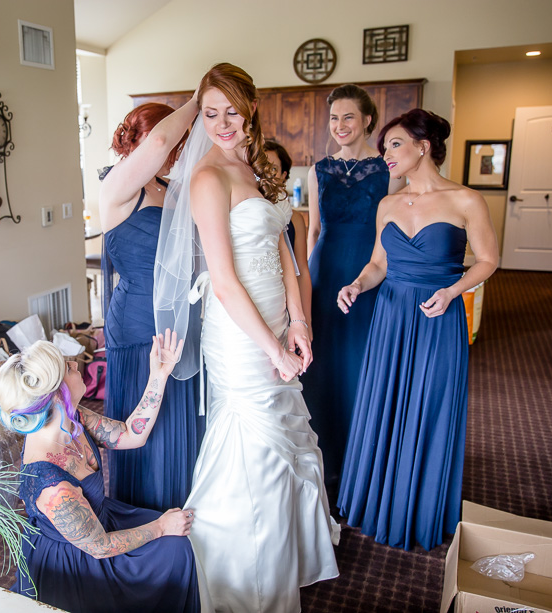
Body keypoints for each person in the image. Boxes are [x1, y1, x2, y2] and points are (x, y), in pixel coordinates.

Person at [156, 63, 339, 613]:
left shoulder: (255, 166)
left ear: (251, 108)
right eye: (210, 113)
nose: (221, 123)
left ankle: (280, 560)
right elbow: (227, 281)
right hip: (238, 333)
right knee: (251, 446)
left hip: (276, 320)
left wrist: (299, 323)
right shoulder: (207, 177)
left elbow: (283, 247)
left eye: (231, 110)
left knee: (283, 446)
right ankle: (240, 583)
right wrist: (272, 349)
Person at [336, 109, 498, 551]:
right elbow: (377, 265)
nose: (385, 153)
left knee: (429, 406)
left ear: (423, 147)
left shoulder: (466, 201)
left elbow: (487, 260)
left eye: (394, 144)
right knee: (384, 401)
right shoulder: (388, 204)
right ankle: (374, 502)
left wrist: (452, 292)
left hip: (437, 315)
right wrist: (355, 284)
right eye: (385, 145)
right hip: (390, 314)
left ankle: (417, 508)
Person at [0, 331, 200, 612]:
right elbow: (99, 547)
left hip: (101, 521)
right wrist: (161, 527)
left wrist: (159, 375)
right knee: (175, 549)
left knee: (180, 545)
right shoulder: (52, 486)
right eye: (68, 366)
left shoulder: (70, 417)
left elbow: (130, 434)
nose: (76, 365)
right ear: (56, 395)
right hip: (80, 559)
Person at [98, 98, 204, 512]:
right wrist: (197, 102)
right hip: (139, 320)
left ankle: (181, 506)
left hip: (179, 319)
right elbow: (161, 139)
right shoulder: (117, 187)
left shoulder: (171, 188)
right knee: (148, 421)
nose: (177, 152)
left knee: (177, 418)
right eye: (176, 144)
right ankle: (144, 516)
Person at [302, 84, 405, 491]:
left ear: (367, 121)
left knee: (361, 366)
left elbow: (393, 234)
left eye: (348, 117)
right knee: (323, 367)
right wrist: (307, 285)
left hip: (368, 275)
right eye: (333, 118)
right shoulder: (318, 170)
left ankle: (362, 465)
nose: (340, 125)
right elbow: (312, 231)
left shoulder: (389, 170)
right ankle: (323, 462)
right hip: (325, 273)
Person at [263, 140, 312, 331]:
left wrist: (305, 321)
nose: (265, 175)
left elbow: (302, 272)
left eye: (273, 169)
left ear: (283, 176)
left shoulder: (295, 219)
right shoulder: (242, 215)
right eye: (261, 167)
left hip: (288, 307)